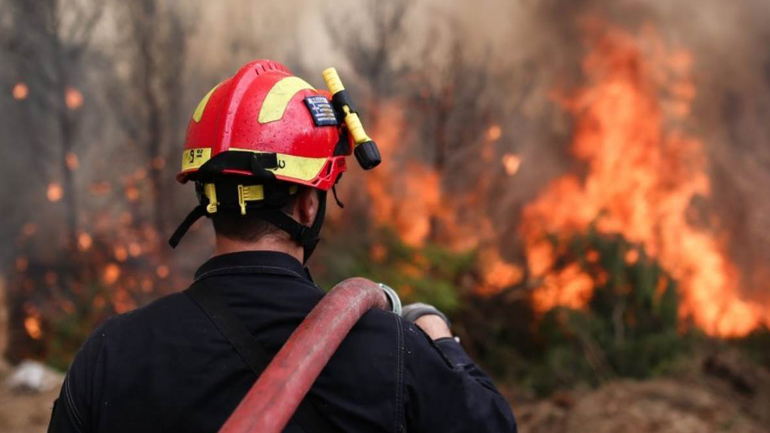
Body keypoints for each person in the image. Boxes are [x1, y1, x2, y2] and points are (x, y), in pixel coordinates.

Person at [47, 59, 517, 433]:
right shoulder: (392, 353)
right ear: (309, 204)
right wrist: (438, 338)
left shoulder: (111, 354)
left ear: (206, 196)